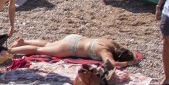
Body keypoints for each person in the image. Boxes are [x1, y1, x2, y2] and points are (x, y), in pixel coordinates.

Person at [7, 34, 135, 68]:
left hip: (75, 38)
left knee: (48, 44)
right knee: (39, 50)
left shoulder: (112, 44)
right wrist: (127, 64)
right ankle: (11, 51)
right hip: (70, 48)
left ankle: (24, 41)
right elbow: (112, 64)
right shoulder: (105, 51)